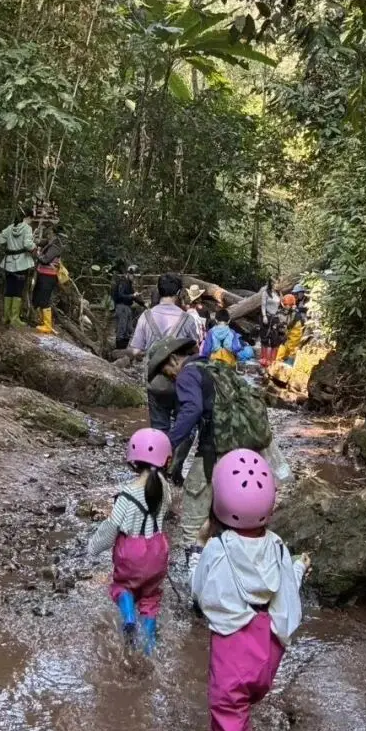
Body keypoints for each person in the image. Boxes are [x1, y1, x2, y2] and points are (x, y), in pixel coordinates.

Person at [188, 450, 306, 731]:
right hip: (268, 651)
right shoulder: (277, 546)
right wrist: (301, 566)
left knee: (230, 715)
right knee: (240, 714)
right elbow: (287, 587)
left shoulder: (217, 548)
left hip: (233, 655)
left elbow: (199, 591)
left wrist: (195, 554)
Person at [87, 427, 173, 657]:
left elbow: (110, 529)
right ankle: (149, 647)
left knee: (122, 586)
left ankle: (128, 616)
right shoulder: (165, 488)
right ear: (166, 459)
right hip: (157, 549)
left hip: (131, 553)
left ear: (134, 461)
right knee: (151, 596)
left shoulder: (126, 495)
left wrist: (93, 548)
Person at [129, 274, 201, 430]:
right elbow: (195, 350)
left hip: (156, 381)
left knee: (159, 427)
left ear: (159, 291)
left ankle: (160, 452)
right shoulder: (186, 319)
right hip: (180, 378)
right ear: (178, 293)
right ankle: (177, 454)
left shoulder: (145, 317)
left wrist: (149, 354)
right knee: (183, 426)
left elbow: (135, 351)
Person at [0, 209, 35, 327]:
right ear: (28, 218)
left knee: (9, 289)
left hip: (9, 263)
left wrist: (9, 245)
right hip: (22, 263)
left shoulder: (9, 228)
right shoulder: (27, 229)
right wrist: (34, 247)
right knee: (18, 290)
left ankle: (6, 317)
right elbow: (28, 244)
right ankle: (14, 319)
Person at [32, 220, 66, 334]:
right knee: (38, 296)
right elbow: (40, 242)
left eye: (50, 231)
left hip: (49, 275)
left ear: (54, 233)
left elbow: (46, 259)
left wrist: (36, 254)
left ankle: (47, 325)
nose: (47, 232)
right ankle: (41, 321)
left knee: (44, 299)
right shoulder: (50, 241)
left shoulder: (56, 245)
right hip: (43, 274)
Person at [111, 267, 138, 350]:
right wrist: (132, 296)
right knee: (122, 328)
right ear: (128, 274)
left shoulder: (129, 283)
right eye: (133, 276)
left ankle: (124, 349)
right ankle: (119, 350)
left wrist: (144, 304)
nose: (134, 278)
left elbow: (134, 296)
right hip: (121, 306)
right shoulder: (122, 282)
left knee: (128, 329)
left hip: (127, 307)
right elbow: (120, 295)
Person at [258, 278, 281, 368]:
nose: (277, 285)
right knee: (264, 337)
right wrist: (264, 316)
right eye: (275, 284)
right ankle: (263, 358)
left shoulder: (279, 293)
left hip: (275, 318)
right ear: (271, 284)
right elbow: (263, 305)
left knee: (275, 338)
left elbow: (281, 304)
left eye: (278, 284)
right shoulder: (265, 293)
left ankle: (272, 360)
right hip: (267, 316)